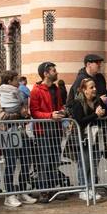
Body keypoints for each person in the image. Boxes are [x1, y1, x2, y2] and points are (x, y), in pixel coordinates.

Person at [29, 61, 71, 199]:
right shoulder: (36, 90)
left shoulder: (56, 89)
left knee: (54, 160)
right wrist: (50, 115)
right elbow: (34, 112)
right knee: (45, 161)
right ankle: (44, 190)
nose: (56, 72)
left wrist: (62, 112)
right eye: (53, 71)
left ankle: (53, 189)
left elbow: (58, 105)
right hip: (43, 131)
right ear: (46, 74)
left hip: (56, 129)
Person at [0, 70, 33, 207]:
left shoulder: (19, 94)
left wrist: (24, 115)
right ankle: (9, 194)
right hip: (6, 132)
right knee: (10, 164)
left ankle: (22, 190)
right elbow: (2, 116)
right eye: (16, 79)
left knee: (26, 160)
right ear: (9, 80)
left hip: (21, 131)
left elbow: (24, 112)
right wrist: (18, 115)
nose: (19, 82)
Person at [67, 76, 107, 203]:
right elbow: (80, 121)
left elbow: (104, 114)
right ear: (84, 90)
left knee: (94, 163)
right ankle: (83, 189)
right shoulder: (77, 103)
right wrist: (95, 115)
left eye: (94, 87)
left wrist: (101, 112)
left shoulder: (98, 101)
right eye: (91, 87)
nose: (94, 89)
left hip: (96, 137)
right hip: (83, 137)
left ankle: (91, 187)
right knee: (84, 163)